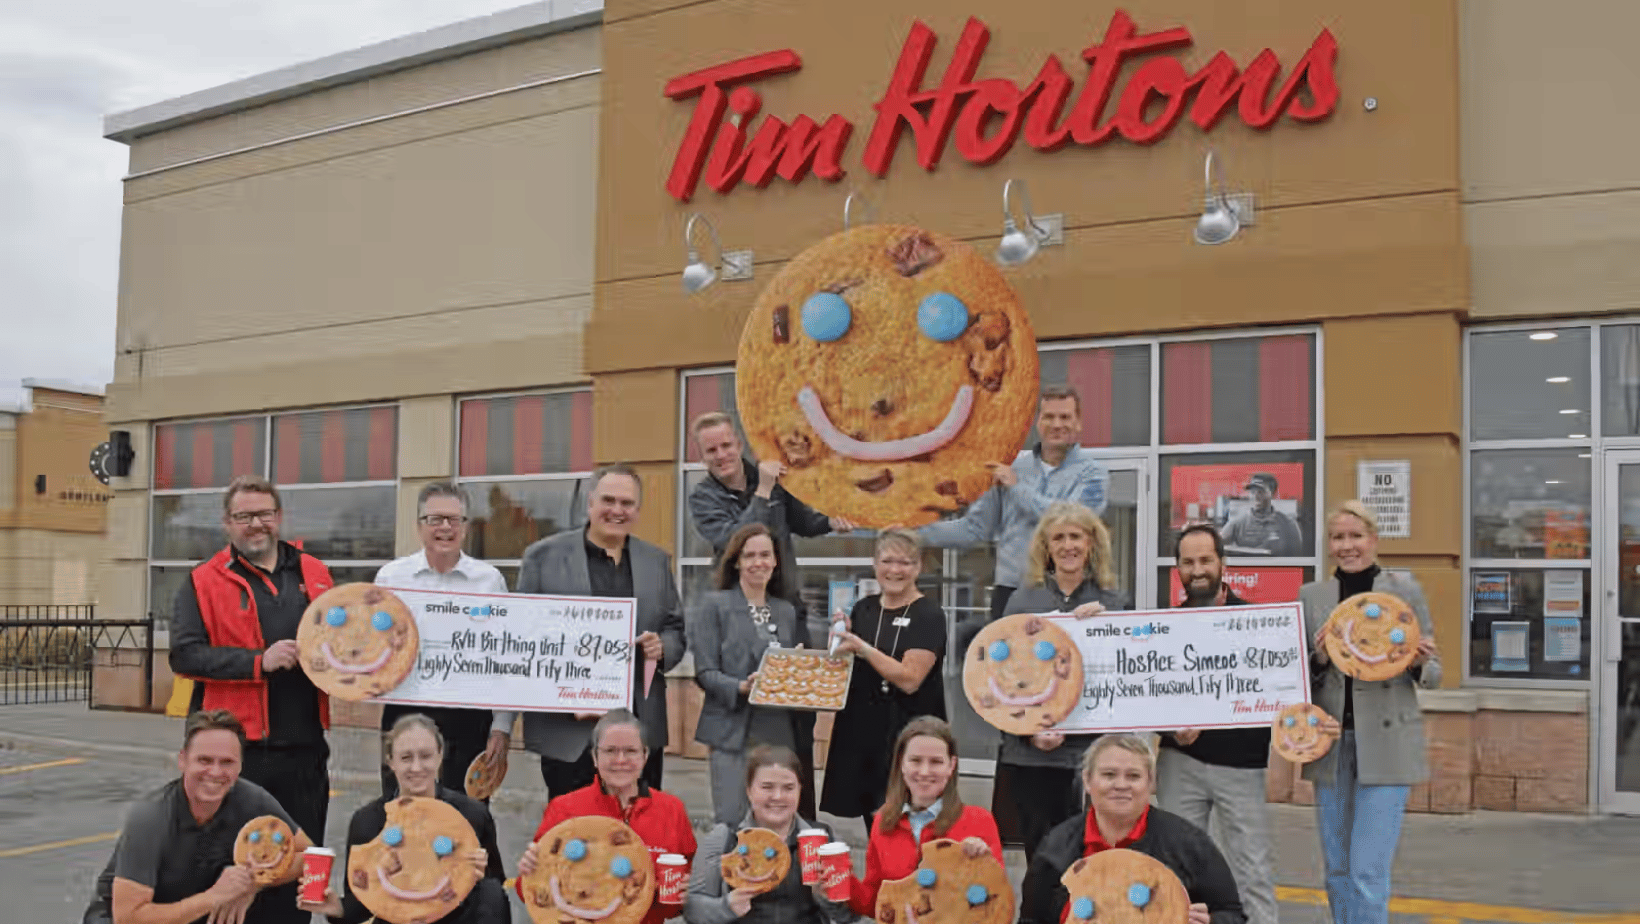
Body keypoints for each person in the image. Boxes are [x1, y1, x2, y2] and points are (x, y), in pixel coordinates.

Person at [169, 474, 335, 849]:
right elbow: (184, 655)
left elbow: (337, 638)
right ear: (227, 523)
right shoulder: (202, 580)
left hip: (306, 745)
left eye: (264, 514)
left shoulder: (315, 572)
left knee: (305, 855)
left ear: (279, 517)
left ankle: (302, 893)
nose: (256, 524)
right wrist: (259, 663)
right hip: (238, 750)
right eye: (244, 517)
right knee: (239, 858)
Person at [1299, 500, 1441, 924]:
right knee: (1337, 870)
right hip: (1331, 746)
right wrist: (1319, 657)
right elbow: (1296, 679)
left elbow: (1434, 675)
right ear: (1329, 545)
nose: (1347, 546)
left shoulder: (1404, 591)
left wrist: (1417, 661)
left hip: (1388, 744)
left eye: (1356, 536)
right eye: (1338, 537)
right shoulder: (1312, 597)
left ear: (1374, 540)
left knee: (1367, 871)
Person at [516, 464, 687, 800]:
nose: (617, 510)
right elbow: (523, 640)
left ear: (637, 510)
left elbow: (675, 628)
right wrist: (561, 697)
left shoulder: (656, 561)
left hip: (638, 729)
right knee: (573, 828)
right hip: (570, 731)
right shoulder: (542, 557)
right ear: (590, 502)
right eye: (608, 500)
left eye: (627, 503)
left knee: (638, 824)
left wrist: (662, 647)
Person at [82, 710, 312, 924]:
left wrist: (253, 882)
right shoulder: (151, 817)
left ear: (240, 766)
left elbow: (312, 856)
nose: (215, 772)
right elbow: (127, 918)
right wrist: (214, 897)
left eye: (227, 762)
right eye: (204, 760)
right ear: (182, 760)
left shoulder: (252, 800)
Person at [998, 500, 1131, 862]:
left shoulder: (1114, 603)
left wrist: (1108, 628)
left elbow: (1127, 675)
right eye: (1059, 538)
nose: (1068, 545)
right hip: (1031, 755)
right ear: (1046, 546)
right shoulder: (1022, 601)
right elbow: (1002, 676)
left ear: (1091, 543)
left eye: (1076, 536)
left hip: (1090, 753)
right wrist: (1029, 731)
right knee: (1040, 858)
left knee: (1089, 858)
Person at [1158, 523, 1277, 924]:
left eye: (1205, 560)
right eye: (1188, 562)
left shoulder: (1257, 623)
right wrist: (1169, 729)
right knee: (1177, 867)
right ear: (1178, 568)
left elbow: (1279, 685)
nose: (1197, 570)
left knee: (1251, 869)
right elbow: (1147, 693)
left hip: (1241, 764)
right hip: (1180, 762)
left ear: (1223, 564)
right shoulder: (1163, 627)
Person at [916, 385, 1110, 628]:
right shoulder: (1010, 468)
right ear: (1038, 421)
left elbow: (1072, 521)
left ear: (1078, 423)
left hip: (1072, 596)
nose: (1056, 424)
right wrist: (911, 531)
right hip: (1010, 593)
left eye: (1065, 417)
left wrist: (1017, 488)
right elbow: (973, 529)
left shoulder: (1093, 474)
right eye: (1049, 416)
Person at [298, 714, 508, 924]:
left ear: (440, 756)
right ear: (391, 761)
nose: (416, 767)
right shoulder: (369, 820)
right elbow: (364, 898)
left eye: (425, 756)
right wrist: (339, 910)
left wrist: (481, 873)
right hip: (396, 919)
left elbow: (495, 888)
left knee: (491, 892)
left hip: (456, 918)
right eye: (406, 758)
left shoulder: (471, 815)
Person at [373, 482, 512, 798]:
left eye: (454, 519)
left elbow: (506, 657)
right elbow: (374, 646)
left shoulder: (489, 581)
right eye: (435, 519)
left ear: (466, 526)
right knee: (404, 811)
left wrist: (501, 727)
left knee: (467, 813)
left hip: (470, 719)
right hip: (405, 713)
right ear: (419, 525)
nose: (445, 527)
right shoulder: (391, 578)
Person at [1020, 735, 1246, 924]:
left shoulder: (1188, 843)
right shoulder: (1056, 847)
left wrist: (1211, 921)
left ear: (1151, 783)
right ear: (1087, 781)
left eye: (1133, 776)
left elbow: (1232, 913)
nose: (1121, 785)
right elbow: (1031, 920)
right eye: (1109, 775)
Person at [821, 529, 948, 841]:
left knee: (911, 824)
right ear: (875, 564)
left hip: (907, 732)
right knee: (875, 825)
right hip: (863, 730)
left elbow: (910, 679)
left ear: (918, 567)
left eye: (905, 562)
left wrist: (862, 648)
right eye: (887, 561)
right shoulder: (864, 608)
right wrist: (838, 642)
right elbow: (846, 663)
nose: (895, 570)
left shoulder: (929, 614)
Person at [689, 523, 818, 825]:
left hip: (778, 730)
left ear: (775, 560)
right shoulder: (714, 606)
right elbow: (704, 672)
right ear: (736, 561)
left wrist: (799, 667)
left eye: (765, 555)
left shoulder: (785, 611)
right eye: (750, 555)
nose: (758, 562)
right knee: (733, 821)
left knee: (775, 820)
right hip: (732, 731)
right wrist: (739, 687)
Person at [519, 710, 697, 924]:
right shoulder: (564, 808)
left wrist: (686, 895)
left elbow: (676, 905)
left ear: (645, 756)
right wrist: (529, 870)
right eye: (610, 751)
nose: (620, 760)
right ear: (595, 757)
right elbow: (531, 893)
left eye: (630, 751)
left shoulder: (671, 810)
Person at [688, 411, 854, 617]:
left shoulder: (770, 476)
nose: (721, 455)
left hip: (786, 598)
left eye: (726, 445)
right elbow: (734, 540)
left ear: (739, 445)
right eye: (711, 450)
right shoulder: (703, 498)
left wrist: (829, 522)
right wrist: (763, 491)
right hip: (739, 609)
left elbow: (803, 522)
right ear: (702, 457)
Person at [848, 717, 1003, 919]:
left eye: (936, 762)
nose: (924, 772)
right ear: (901, 763)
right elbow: (874, 904)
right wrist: (841, 879)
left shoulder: (978, 821)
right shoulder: (884, 822)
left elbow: (997, 905)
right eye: (915, 760)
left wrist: (984, 864)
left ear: (951, 765)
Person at [684, 745, 853, 924]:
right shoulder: (725, 838)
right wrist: (727, 906)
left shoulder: (824, 840)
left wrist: (827, 898)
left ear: (799, 790)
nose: (778, 796)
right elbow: (692, 911)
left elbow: (849, 916)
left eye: (788, 788)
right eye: (767, 787)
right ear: (749, 791)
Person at [1221, 473, 1303, 557]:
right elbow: (1217, 546)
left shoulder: (1288, 524)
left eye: (1261, 492)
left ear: (1272, 494)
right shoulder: (1237, 522)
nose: (1256, 496)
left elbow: (1298, 556)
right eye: (1253, 492)